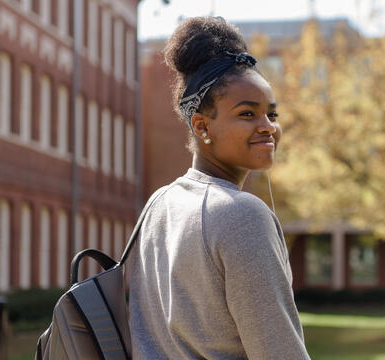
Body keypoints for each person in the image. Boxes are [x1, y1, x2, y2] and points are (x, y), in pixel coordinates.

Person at [127, 16, 310, 359]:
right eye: (247, 114)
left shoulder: (158, 205)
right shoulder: (242, 214)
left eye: (272, 114)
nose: (267, 127)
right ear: (201, 125)